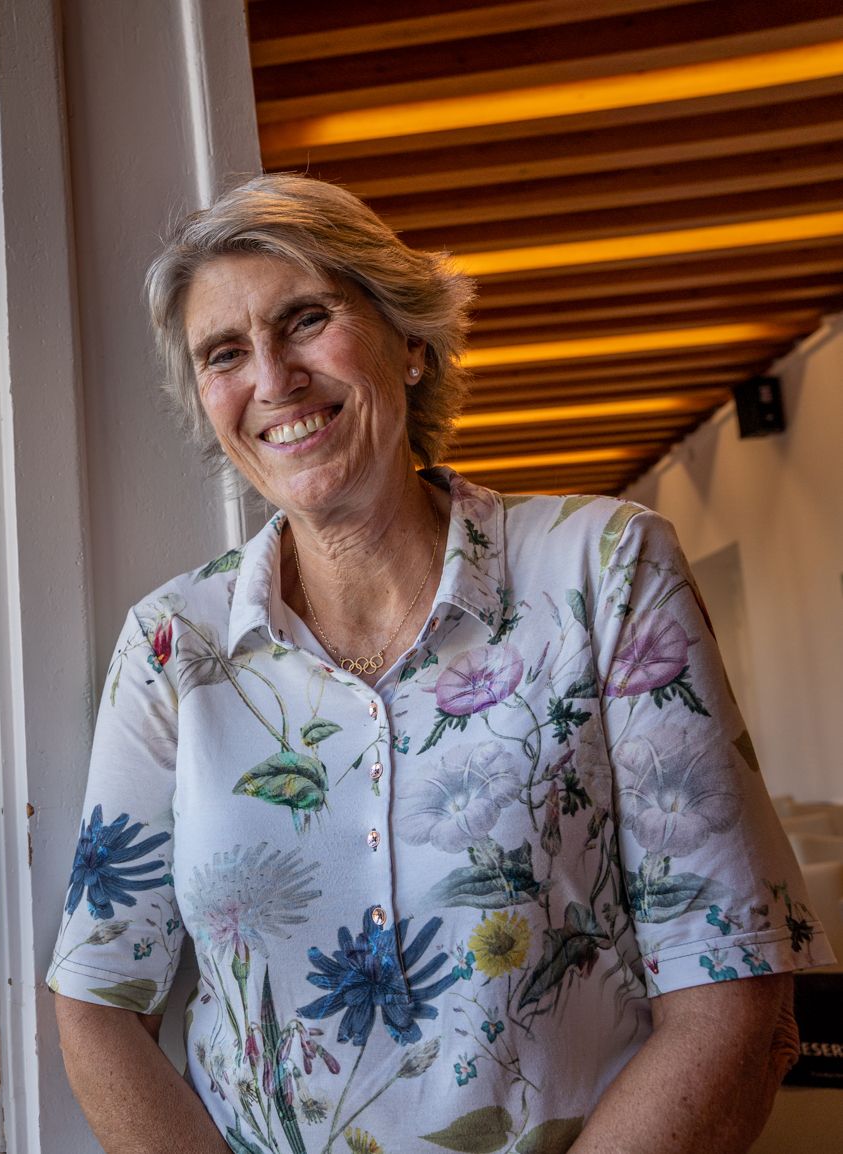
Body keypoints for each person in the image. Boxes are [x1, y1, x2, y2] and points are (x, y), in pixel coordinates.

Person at [49, 173, 832, 1154]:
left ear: (410, 341)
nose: (272, 378)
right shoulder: (173, 642)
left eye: (305, 320)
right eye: (224, 354)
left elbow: (730, 985)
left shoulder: (605, 569)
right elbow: (95, 999)